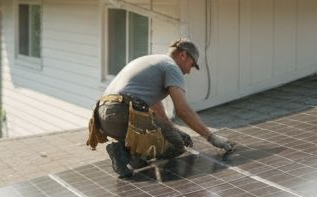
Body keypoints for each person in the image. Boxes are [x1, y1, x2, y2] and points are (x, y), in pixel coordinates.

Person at [89, 38, 237, 177]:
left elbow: (155, 107)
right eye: (192, 65)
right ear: (183, 55)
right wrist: (211, 137)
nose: (189, 71)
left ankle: (126, 153)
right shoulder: (172, 67)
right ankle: (125, 154)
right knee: (177, 144)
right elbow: (183, 110)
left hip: (102, 117)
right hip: (121, 113)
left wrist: (174, 129)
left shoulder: (153, 61)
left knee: (168, 138)